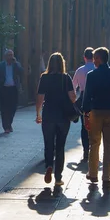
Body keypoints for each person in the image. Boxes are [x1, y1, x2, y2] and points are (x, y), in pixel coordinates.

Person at [82, 47, 110, 190]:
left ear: (99, 59)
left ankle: (93, 174)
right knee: (109, 145)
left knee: (94, 143)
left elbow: (86, 97)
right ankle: (106, 178)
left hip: (96, 112)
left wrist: (86, 114)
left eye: (95, 58)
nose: (93, 60)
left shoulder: (91, 75)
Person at [36, 53, 76, 191]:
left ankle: (48, 166)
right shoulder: (66, 78)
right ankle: (58, 178)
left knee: (48, 143)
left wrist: (38, 113)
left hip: (48, 116)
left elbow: (40, 97)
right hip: (63, 117)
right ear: (62, 64)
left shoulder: (44, 77)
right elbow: (72, 97)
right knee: (60, 146)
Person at [72, 47, 95, 160]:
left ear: (84, 57)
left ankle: (86, 150)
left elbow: (73, 87)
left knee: (84, 125)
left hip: (83, 97)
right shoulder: (97, 69)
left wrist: (74, 101)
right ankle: (94, 148)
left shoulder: (80, 70)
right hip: (95, 99)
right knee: (96, 124)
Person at [0, 49, 24, 133]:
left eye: (11, 55)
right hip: (4, 89)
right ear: (5, 56)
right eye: (9, 55)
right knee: (4, 109)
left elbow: (22, 72)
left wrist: (16, 63)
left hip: (13, 89)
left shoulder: (16, 65)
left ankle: (9, 123)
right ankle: (6, 126)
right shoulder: (0, 66)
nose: (10, 57)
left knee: (13, 108)